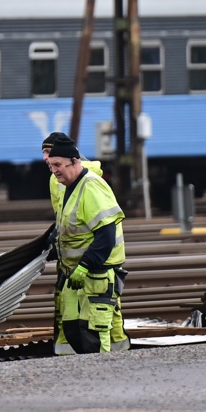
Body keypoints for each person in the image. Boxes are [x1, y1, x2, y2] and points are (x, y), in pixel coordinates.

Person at [45, 135, 128, 354]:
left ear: (74, 161)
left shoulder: (90, 187)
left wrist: (85, 266)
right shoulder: (67, 186)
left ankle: (104, 375)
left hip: (95, 273)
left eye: (58, 165)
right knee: (73, 329)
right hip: (75, 273)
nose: (54, 170)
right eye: (51, 165)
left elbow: (106, 235)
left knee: (94, 333)